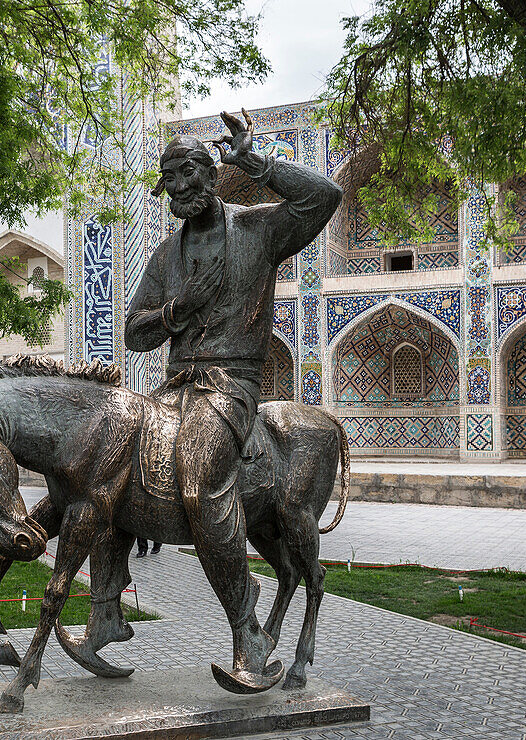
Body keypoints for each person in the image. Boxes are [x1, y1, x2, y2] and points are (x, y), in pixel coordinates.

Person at [124, 111, 341, 689]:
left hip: (232, 384)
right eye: (168, 179)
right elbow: (134, 333)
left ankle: (247, 631)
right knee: (104, 466)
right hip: (175, 386)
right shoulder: (166, 256)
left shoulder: (257, 231)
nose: (179, 187)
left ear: (212, 173)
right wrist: (177, 311)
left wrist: (256, 160)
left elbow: (326, 195)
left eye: (189, 173)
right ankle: (102, 614)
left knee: (199, 480)